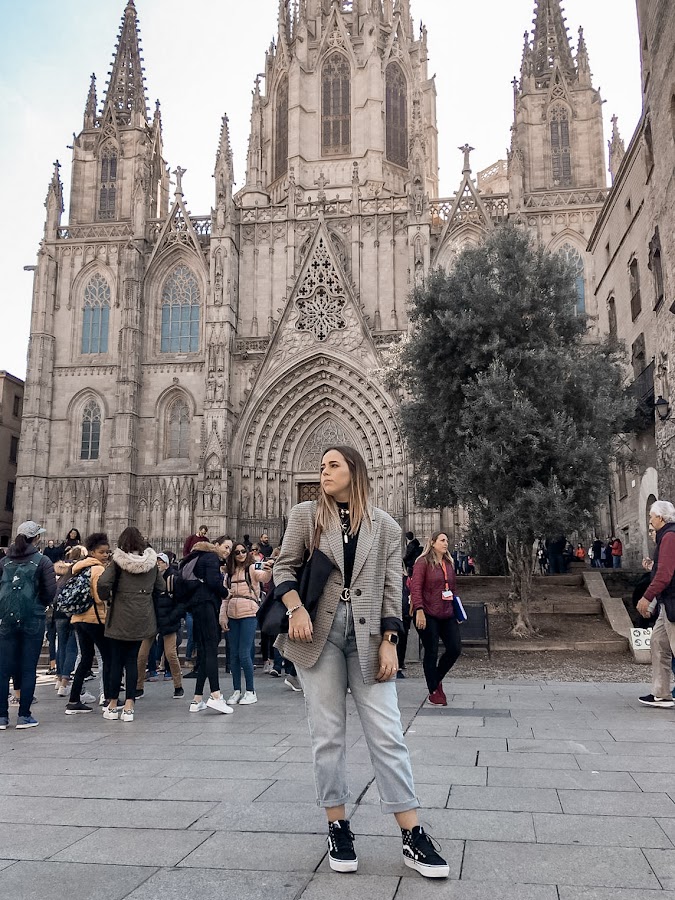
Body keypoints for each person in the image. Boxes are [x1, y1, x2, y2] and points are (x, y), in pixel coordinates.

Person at [274, 446, 449, 879]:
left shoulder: (385, 526)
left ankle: (412, 833)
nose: (324, 471)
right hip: (318, 634)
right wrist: (295, 608)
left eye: (333, 465)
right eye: (321, 466)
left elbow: (392, 588)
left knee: (388, 734)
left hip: (369, 638)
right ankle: (338, 827)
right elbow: (283, 568)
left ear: (355, 471)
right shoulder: (305, 515)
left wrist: (391, 641)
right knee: (327, 735)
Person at [97, 527, 164, 723]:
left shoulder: (118, 562)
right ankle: (129, 707)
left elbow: (103, 583)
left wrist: (107, 597)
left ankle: (112, 705)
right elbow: (161, 586)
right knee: (132, 661)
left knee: (116, 661)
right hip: (142, 616)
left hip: (120, 616)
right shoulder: (151, 563)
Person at [0, 521, 57, 729]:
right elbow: (50, 591)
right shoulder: (43, 561)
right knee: (28, 668)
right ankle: (24, 715)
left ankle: (1, 716)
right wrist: (39, 605)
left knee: (3, 668)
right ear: (37, 538)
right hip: (33, 619)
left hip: (7, 619)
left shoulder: (4, 561)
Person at [181, 535, 233, 714]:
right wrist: (226, 593)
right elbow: (213, 582)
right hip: (206, 605)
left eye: (230, 548)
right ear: (216, 545)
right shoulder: (211, 557)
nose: (228, 551)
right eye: (226, 547)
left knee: (203, 652)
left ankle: (197, 699)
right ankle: (216, 696)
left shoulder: (198, 556)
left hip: (196, 607)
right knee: (211, 648)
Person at [410, 532, 462, 706]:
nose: (446, 543)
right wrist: (419, 609)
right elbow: (416, 588)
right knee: (431, 651)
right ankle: (433, 691)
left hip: (447, 612)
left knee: (454, 648)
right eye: (442, 540)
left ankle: (435, 680)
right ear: (432, 543)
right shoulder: (422, 562)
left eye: (447, 540)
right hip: (427, 613)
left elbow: (453, 590)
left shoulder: (449, 563)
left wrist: (457, 611)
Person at [65, 533, 111, 714]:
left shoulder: (78, 568)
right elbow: (99, 597)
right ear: (92, 552)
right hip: (94, 619)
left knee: (85, 658)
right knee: (107, 657)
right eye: (102, 552)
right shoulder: (98, 569)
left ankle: (73, 700)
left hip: (78, 618)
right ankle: (109, 698)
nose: (105, 555)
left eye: (107, 552)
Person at [222, 541, 272, 704]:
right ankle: (237, 690)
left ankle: (250, 691)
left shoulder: (251, 568)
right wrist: (222, 616)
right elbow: (224, 598)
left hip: (249, 613)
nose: (241, 554)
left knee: (244, 653)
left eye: (243, 551)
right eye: (237, 552)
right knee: (234, 655)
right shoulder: (229, 574)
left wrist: (268, 570)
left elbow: (263, 577)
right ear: (233, 555)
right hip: (232, 614)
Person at [638, 502, 675, 708]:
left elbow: (665, 574)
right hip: (666, 603)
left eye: (651, 516)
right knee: (658, 643)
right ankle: (661, 693)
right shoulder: (665, 537)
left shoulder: (669, 536)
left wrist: (646, 597)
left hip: (672, 601)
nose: (650, 520)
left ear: (660, 518)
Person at [136, 553, 184, 700]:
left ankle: (178, 686)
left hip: (168, 622)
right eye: (156, 561)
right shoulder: (150, 580)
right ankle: (138, 686)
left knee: (170, 654)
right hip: (152, 622)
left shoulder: (173, 579)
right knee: (141, 655)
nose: (158, 564)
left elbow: (181, 603)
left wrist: (171, 618)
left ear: (167, 564)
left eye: (161, 561)